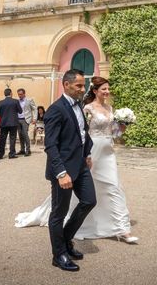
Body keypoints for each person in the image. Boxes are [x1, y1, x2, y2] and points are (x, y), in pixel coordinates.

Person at [16, 76, 138, 243]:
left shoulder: (110, 108)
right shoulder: (86, 108)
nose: (107, 92)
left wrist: (122, 127)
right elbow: (81, 133)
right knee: (80, 190)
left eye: (108, 89)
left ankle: (123, 229)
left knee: (114, 186)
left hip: (107, 152)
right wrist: (85, 154)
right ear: (95, 91)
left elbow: (114, 133)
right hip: (91, 151)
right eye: (104, 89)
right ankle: (71, 222)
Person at [46, 69, 96, 272]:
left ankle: (66, 239)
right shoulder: (55, 109)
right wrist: (60, 173)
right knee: (59, 213)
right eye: (79, 86)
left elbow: (81, 132)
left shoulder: (79, 105)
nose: (83, 89)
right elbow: (50, 145)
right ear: (66, 85)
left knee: (89, 201)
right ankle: (58, 255)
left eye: (83, 85)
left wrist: (87, 153)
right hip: (63, 170)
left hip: (81, 165)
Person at [0, 88, 22, 159]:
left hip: (3, 122)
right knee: (12, 138)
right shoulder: (15, 101)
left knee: (2, 139)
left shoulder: (0, 102)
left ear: (5, 94)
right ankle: (11, 154)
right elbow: (20, 111)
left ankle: (0, 154)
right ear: (11, 93)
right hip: (13, 122)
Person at [17, 88, 37, 156]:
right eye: (19, 94)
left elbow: (34, 109)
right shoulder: (17, 101)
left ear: (24, 94)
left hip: (26, 119)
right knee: (20, 134)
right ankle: (22, 149)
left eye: (21, 94)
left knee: (25, 134)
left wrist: (34, 118)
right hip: (18, 119)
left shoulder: (29, 100)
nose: (20, 96)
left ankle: (28, 150)